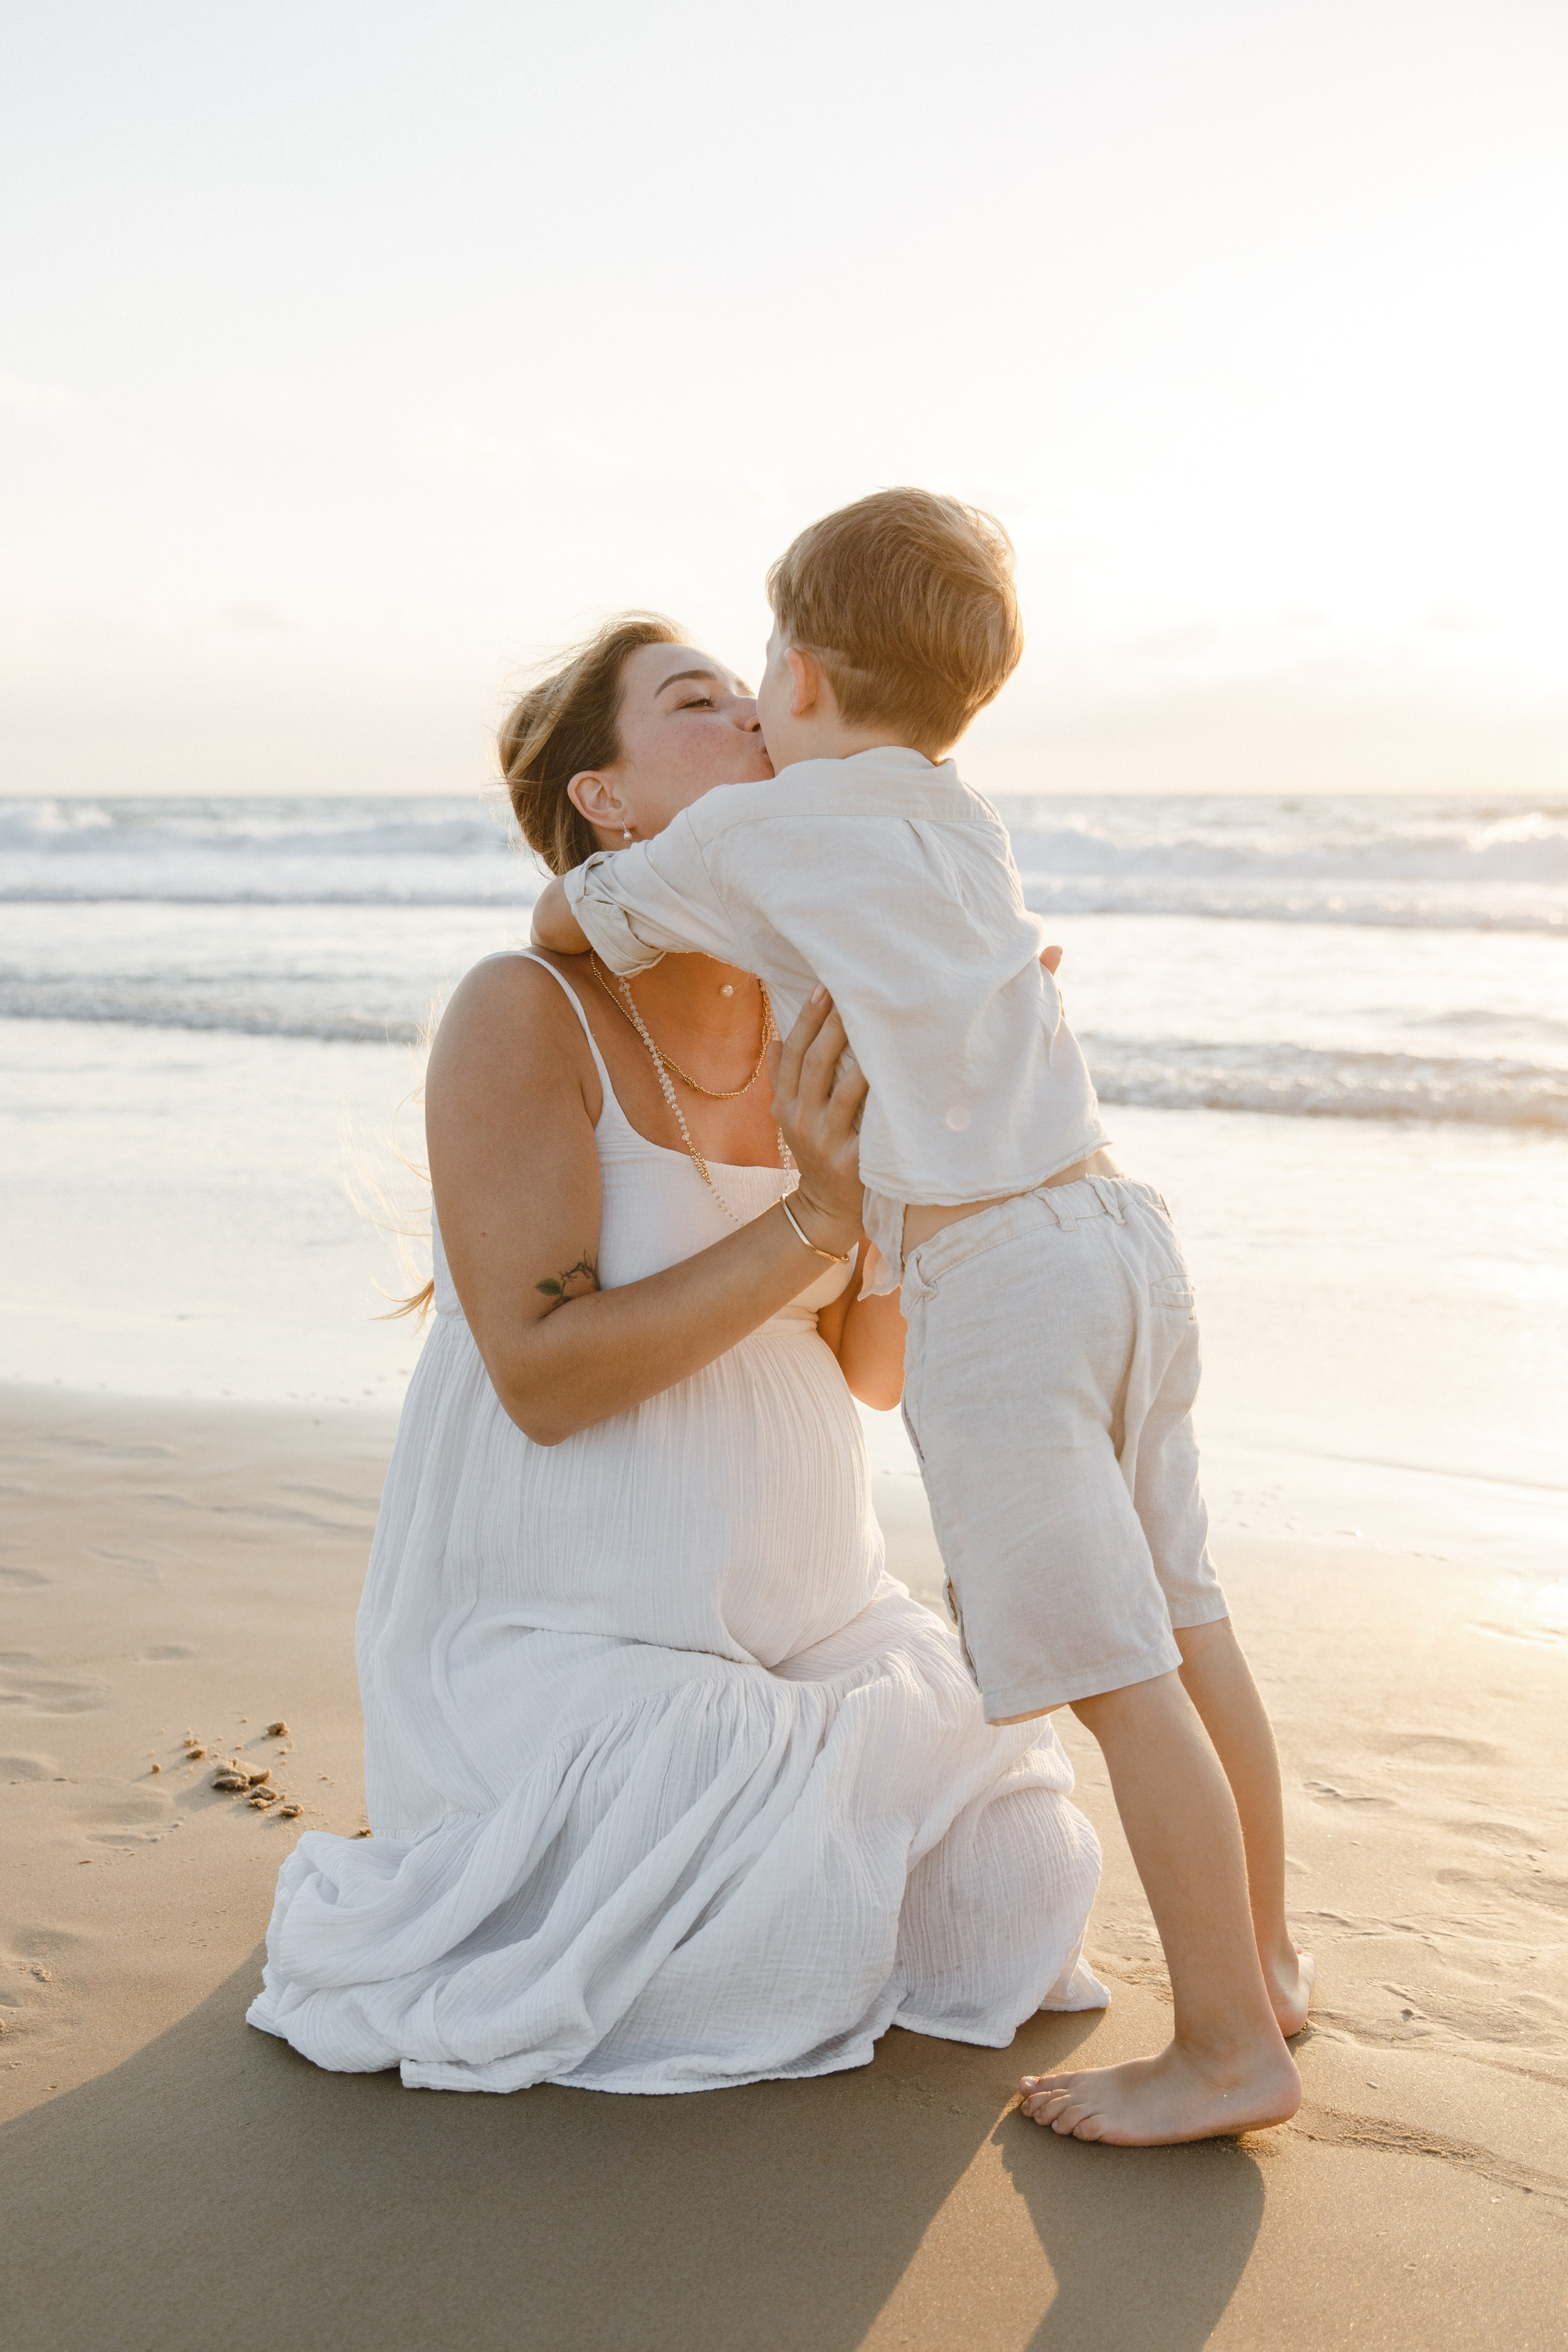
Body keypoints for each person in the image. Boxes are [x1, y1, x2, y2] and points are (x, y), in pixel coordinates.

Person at [532, 492, 1314, 2145]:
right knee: (1191, 1619)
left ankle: (1230, 2046)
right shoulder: (958, 815)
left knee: (1117, 1675)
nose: (749, 707)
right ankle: (1272, 1956)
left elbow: (566, 922)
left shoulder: (751, 838)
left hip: (997, 1287)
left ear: (804, 679)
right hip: (1120, 1239)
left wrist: (640, 869)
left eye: (755, 680)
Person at [247, 613, 1108, 2094]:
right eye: (698, 702)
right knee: (746, 1858)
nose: (757, 720)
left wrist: (944, 1132)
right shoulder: (525, 1009)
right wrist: (817, 1219)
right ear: (609, 801)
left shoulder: (815, 1008)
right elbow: (542, 1372)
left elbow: (871, 1369)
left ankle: (791, 1821)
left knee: (1019, 1872)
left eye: (752, 693)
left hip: (808, 1608)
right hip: (561, 1633)